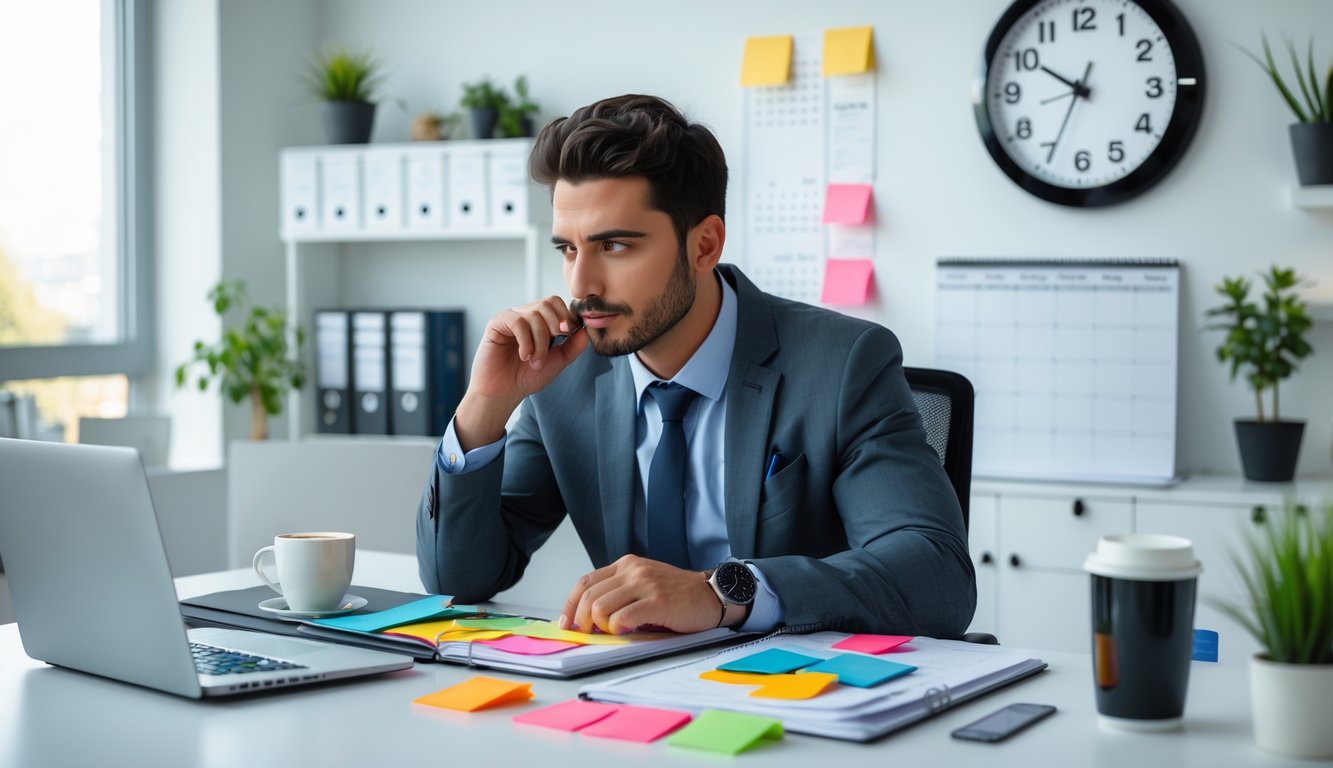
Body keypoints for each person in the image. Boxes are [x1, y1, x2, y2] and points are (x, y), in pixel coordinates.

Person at [416, 94, 975, 638]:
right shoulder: (564, 378)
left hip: (799, 696)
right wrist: (484, 407)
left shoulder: (845, 365)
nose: (581, 285)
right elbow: (458, 579)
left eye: (614, 246)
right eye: (568, 249)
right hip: (630, 699)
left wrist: (723, 592)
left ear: (704, 245)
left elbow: (936, 575)